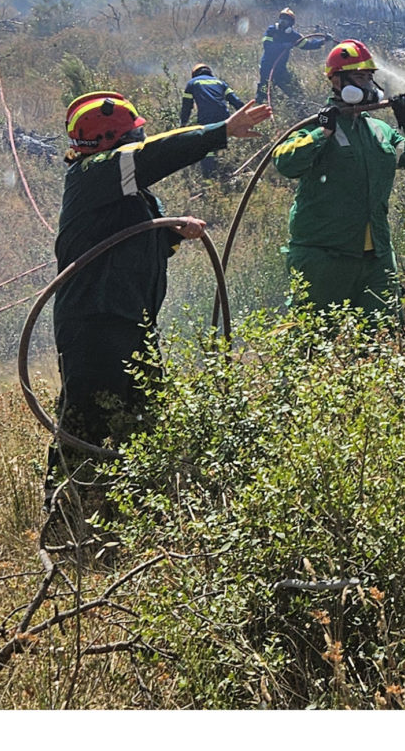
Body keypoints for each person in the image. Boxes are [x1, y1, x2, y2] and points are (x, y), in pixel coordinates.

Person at [47, 88, 271, 533]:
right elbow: (155, 155)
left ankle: (140, 524)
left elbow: (129, 241)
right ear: (112, 140)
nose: (140, 138)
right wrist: (220, 131)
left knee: (147, 423)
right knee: (84, 426)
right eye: (133, 134)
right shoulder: (96, 172)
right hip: (95, 326)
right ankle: (63, 526)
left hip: (127, 323)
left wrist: (171, 232)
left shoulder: (123, 190)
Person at [271, 39, 405, 319]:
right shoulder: (314, 127)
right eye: (359, 77)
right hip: (323, 256)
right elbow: (285, 162)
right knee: (313, 341)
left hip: (376, 257)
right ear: (337, 81)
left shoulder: (380, 130)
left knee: (385, 336)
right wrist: (323, 134)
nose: (368, 85)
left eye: (370, 77)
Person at [179, 63, 248, 179]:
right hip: (225, 118)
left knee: (206, 146)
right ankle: (224, 170)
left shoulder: (192, 83)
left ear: (194, 74)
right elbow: (235, 101)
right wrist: (245, 116)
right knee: (220, 143)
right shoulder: (220, 82)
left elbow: (187, 106)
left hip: (206, 118)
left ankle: (209, 176)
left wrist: (183, 124)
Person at [254, 8, 330, 104]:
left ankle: (299, 108)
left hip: (281, 70)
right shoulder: (271, 30)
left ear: (291, 23)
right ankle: (259, 105)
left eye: (286, 19)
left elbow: (307, 45)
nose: (282, 21)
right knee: (264, 91)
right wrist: (283, 46)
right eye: (281, 18)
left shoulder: (293, 36)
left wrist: (323, 41)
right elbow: (267, 46)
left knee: (295, 91)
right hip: (267, 68)